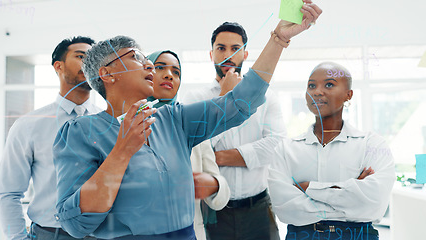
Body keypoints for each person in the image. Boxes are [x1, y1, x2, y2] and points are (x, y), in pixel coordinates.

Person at [53, 3, 321, 239]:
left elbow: (242, 101)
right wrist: (122, 151)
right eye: (135, 57)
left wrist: (278, 39)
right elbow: (75, 221)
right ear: (107, 74)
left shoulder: (174, 119)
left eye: (147, 58)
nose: (149, 65)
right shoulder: (80, 133)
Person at [182, 21, 287, 240]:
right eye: (221, 48)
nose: (228, 55)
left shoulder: (267, 98)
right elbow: (193, 149)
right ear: (211, 54)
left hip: (259, 207)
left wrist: (215, 156)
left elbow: (276, 147)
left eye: (235, 48)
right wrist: (223, 98)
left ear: (246, 54)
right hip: (214, 211)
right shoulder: (195, 99)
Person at [268, 62, 396, 240]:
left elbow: (375, 203)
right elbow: (285, 209)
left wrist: (307, 188)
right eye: (311, 85)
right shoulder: (286, 149)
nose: (317, 92)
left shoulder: (371, 145)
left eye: (329, 84)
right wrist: (352, 192)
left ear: (348, 95)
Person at [0, 36, 101, 240]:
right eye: (81, 56)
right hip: (50, 234)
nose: (90, 64)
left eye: (94, 59)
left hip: (104, 234)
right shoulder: (29, 125)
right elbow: (6, 193)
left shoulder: (109, 123)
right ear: (58, 66)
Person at [146, 50, 231, 240]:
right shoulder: (124, 124)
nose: (169, 75)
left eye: (176, 72)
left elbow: (220, 194)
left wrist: (213, 185)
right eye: (159, 68)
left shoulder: (190, 125)